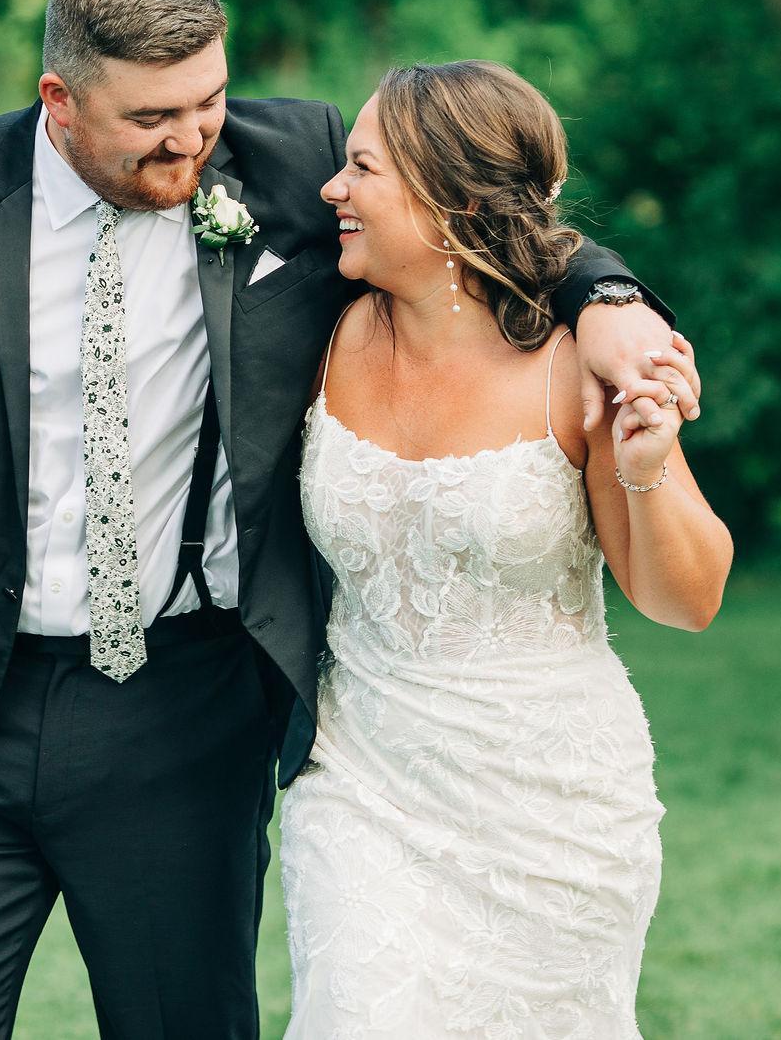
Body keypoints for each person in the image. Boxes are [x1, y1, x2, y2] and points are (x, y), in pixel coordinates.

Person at [0, 0, 696, 1037]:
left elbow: (480, 214)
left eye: (208, 98)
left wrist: (610, 299)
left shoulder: (294, 158)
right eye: (152, 117)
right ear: (59, 99)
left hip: (186, 712)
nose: (192, 137)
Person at [280, 60, 732, 1037]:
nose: (331, 188)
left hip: (553, 813)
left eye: (363, 169)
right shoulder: (320, 328)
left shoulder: (577, 363)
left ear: (452, 200)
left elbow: (686, 599)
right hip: (361, 786)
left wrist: (646, 466)